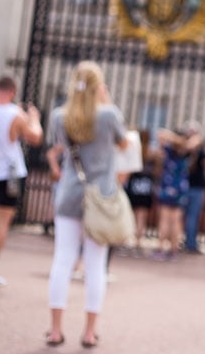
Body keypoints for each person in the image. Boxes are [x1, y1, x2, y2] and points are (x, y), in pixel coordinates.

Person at [44, 61, 128, 347]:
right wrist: (106, 101)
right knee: (95, 265)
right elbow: (125, 144)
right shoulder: (108, 115)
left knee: (62, 259)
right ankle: (89, 331)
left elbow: (64, 147)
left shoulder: (59, 116)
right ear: (99, 86)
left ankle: (55, 329)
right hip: (100, 196)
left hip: (69, 193)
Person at [0, 73, 44, 286]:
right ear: (12, 92)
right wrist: (34, 118)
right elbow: (35, 137)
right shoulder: (15, 114)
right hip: (8, 173)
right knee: (1, 224)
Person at [153, 126, 200, 260]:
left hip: (168, 187)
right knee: (175, 221)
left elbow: (160, 133)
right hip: (180, 188)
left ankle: (161, 248)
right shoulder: (185, 150)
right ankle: (173, 250)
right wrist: (182, 141)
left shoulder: (170, 149)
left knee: (166, 220)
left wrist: (175, 140)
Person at [124, 130, 157, 255]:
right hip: (146, 186)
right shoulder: (152, 153)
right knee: (141, 218)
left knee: (131, 216)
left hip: (134, 185)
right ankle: (137, 243)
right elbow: (157, 170)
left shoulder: (134, 150)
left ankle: (130, 241)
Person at [181, 121, 205, 254]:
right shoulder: (198, 149)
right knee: (191, 216)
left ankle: (186, 240)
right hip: (194, 187)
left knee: (185, 215)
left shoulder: (182, 148)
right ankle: (190, 243)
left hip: (185, 185)